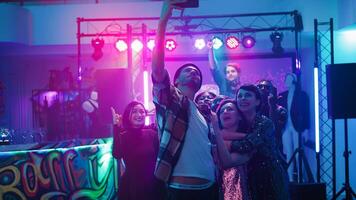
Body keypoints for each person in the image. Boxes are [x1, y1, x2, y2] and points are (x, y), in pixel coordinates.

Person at [151, 1, 219, 199]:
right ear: (176, 81)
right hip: (180, 189)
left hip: (209, 187)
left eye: (197, 72)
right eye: (188, 71)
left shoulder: (203, 113)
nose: (194, 73)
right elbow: (157, 69)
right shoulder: (172, 101)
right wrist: (162, 24)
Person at [229, 84, 289, 200]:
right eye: (240, 96)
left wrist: (227, 144)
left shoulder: (265, 123)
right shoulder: (239, 125)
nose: (243, 99)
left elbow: (246, 146)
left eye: (247, 95)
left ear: (257, 102)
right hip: (248, 177)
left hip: (269, 177)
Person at [111, 101, 163, 200]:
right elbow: (116, 154)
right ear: (128, 116)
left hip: (153, 186)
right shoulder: (123, 136)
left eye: (142, 111)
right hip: (131, 187)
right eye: (134, 111)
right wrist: (115, 127)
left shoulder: (152, 134)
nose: (139, 115)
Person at [212, 99, 250, 200]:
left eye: (229, 109)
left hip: (238, 192)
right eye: (221, 111)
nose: (225, 112)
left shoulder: (248, 144)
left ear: (240, 117)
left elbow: (227, 162)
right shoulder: (210, 134)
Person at [277, 73, 310, 181]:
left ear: (293, 81)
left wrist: (306, 129)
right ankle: (290, 179)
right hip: (286, 128)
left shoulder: (302, 95)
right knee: (289, 154)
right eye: (286, 79)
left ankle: (300, 178)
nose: (286, 81)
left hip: (297, 128)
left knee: (298, 153)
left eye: (288, 79)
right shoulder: (282, 96)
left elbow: (306, 113)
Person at [256, 79, 287, 153]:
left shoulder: (281, 110)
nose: (263, 89)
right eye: (260, 86)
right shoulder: (251, 109)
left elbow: (275, 129)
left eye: (267, 87)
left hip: (274, 150)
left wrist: (272, 107)